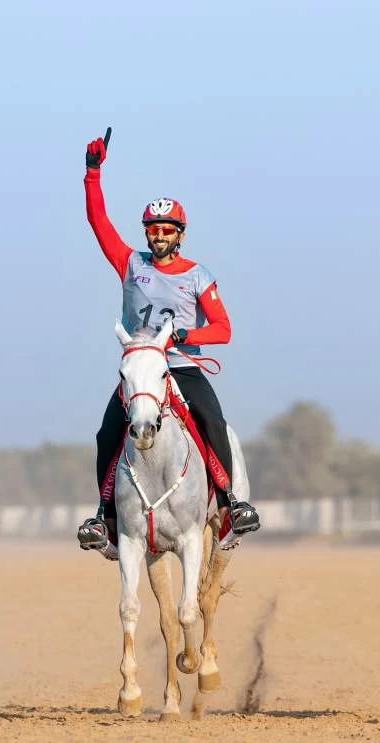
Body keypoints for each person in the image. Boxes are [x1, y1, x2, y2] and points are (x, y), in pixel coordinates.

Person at [76, 127, 260, 554]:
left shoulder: (198, 275)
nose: (158, 235)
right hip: (141, 370)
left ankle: (233, 505)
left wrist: (186, 334)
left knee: (214, 423)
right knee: (107, 433)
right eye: (153, 228)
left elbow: (224, 329)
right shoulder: (129, 263)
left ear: (180, 233)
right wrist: (92, 173)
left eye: (166, 229)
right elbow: (97, 221)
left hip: (181, 367)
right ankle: (105, 518)